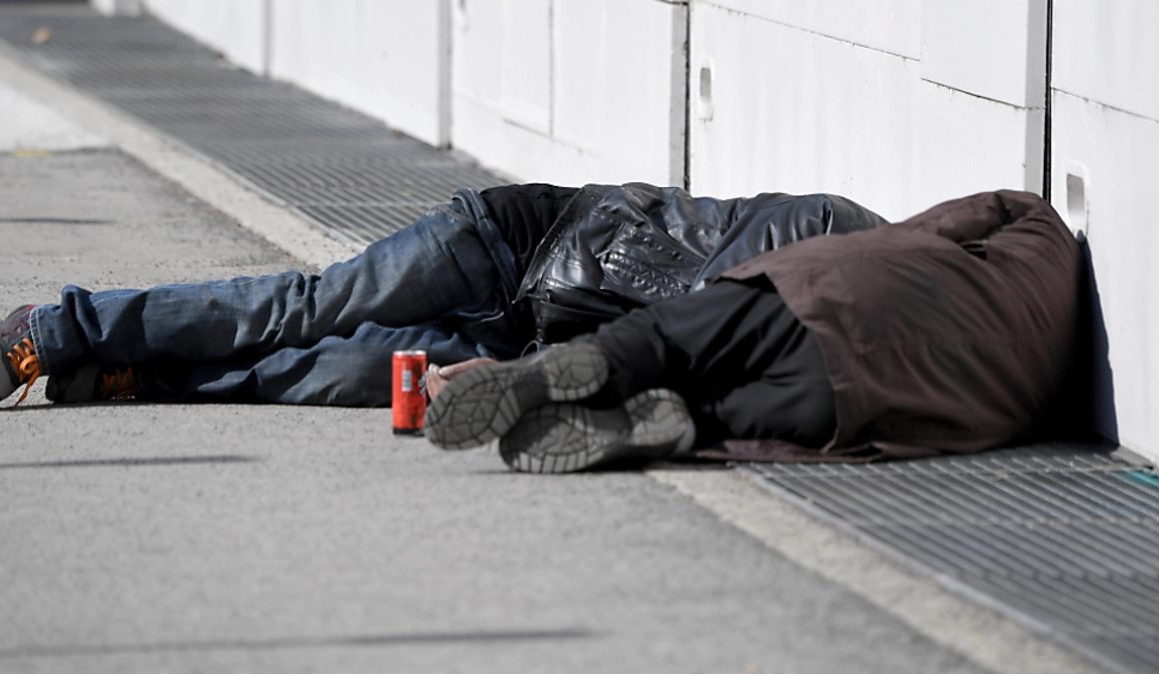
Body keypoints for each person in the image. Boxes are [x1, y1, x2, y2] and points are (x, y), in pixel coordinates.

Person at [0, 183, 886, 410]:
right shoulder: (828, 229)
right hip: (511, 242)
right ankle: (58, 329)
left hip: (531, 338)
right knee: (307, 307)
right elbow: (680, 293)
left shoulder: (820, 341)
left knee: (345, 373)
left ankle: (138, 376)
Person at [424, 190, 1086, 473]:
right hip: (863, 396)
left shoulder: (1037, 229)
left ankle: (576, 367)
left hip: (836, 294)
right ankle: (682, 425)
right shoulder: (1034, 401)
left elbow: (942, 225)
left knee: (667, 339)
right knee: (723, 413)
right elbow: (930, 438)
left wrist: (900, 250)